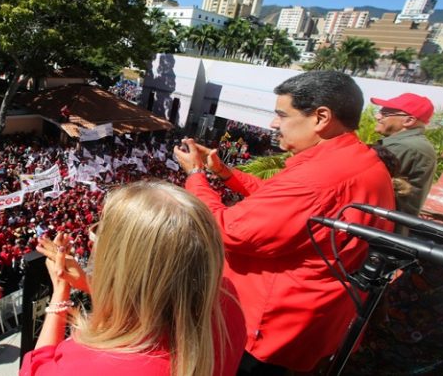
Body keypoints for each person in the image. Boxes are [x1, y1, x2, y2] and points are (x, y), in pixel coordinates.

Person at [173, 70, 396, 374]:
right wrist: (226, 173)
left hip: (269, 329)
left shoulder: (320, 177)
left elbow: (227, 230)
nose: (273, 124)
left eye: (282, 114)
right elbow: (283, 202)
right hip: (311, 321)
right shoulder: (358, 162)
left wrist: (196, 177)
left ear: (321, 117)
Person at [20, 181, 246, 376]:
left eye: (101, 232)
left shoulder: (91, 365)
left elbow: (37, 366)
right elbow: (156, 303)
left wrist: (60, 290)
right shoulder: (227, 306)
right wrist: (90, 285)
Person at [371, 93, 436, 216]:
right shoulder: (410, 143)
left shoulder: (403, 147)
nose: (377, 116)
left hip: (381, 226)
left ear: (409, 120)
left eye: (385, 113)